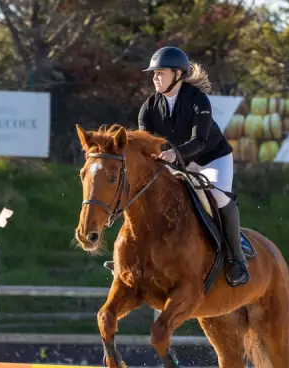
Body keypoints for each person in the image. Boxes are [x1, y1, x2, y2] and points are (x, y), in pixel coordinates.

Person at [104, 46, 249, 287]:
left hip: (211, 159)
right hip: (177, 162)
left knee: (216, 195)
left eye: (160, 72)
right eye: (153, 73)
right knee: (147, 195)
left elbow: (200, 141)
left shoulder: (197, 99)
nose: (155, 77)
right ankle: (130, 254)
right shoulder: (149, 107)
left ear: (178, 74)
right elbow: (144, 144)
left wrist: (175, 154)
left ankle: (236, 258)